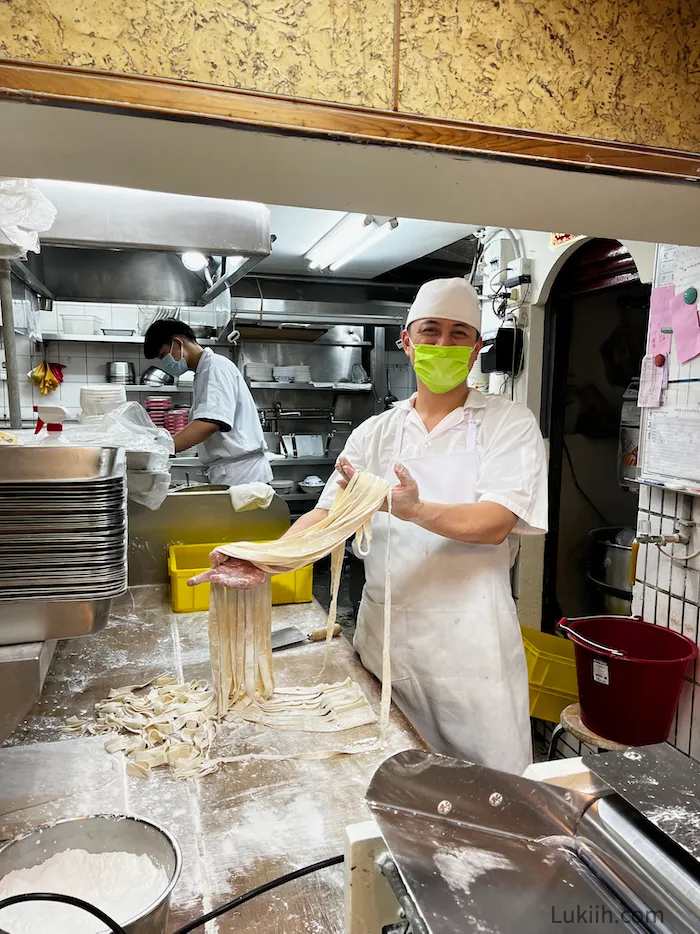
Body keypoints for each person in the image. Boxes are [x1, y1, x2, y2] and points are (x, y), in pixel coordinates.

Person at [196, 279, 547, 774]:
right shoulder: (376, 433)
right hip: (388, 644)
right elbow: (327, 516)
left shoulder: (508, 423)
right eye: (430, 331)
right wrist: (266, 559)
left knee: (489, 791)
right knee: (393, 785)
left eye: (458, 334)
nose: (442, 345)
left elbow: (495, 523)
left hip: (472, 654)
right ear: (406, 341)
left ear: (476, 350)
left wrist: (414, 509)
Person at [144, 319, 272, 486]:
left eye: (163, 355)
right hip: (234, 470)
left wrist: (164, 449)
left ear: (177, 343)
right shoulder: (204, 371)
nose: (164, 364)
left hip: (242, 474)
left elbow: (209, 423)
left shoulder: (215, 367)